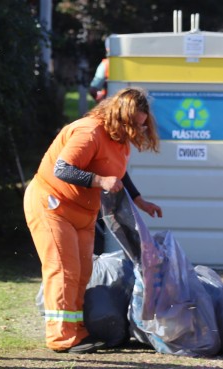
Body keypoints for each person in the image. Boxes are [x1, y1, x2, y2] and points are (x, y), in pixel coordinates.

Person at [24, 87, 163, 354]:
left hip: (83, 211)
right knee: (64, 269)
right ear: (120, 116)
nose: (137, 131)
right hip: (52, 204)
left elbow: (117, 172)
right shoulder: (89, 132)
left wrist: (140, 201)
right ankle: (60, 336)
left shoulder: (119, 139)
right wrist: (100, 181)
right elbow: (62, 169)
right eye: (134, 124)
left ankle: (76, 330)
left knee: (82, 271)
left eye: (141, 126)